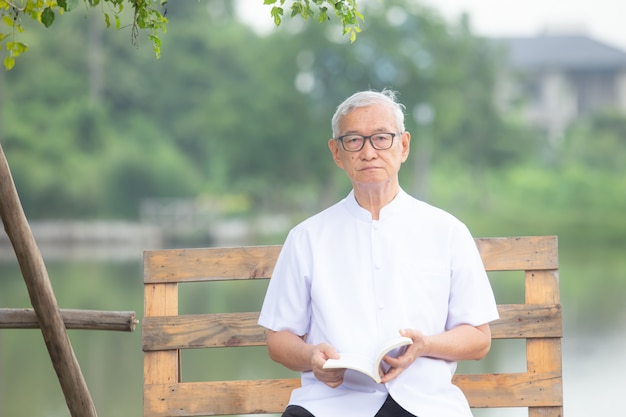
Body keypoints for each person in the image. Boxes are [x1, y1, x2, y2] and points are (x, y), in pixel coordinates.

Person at [257, 89, 499, 417]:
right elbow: (279, 339)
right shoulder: (307, 238)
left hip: (425, 402)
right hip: (330, 404)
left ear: (404, 145)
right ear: (336, 152)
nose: (369, 152)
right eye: (354, 140)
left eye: (382, 138)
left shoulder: (447, 231)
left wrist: (426, 345)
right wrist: (312, 355)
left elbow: (478, 339)